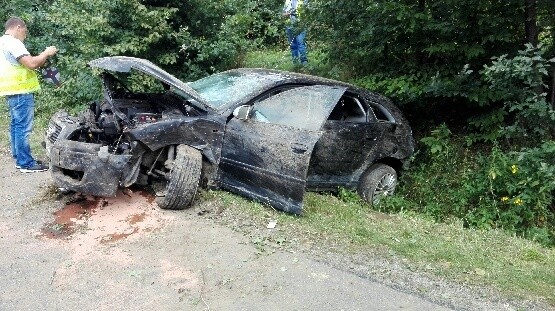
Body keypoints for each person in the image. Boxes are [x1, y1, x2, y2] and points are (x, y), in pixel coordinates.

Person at [0, 17, 58, 172]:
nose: (25, 34)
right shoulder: (13, 42)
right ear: (18, 27)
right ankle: (25, 163)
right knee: (23, 128)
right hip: (21, 91)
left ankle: (19, 157)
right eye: (25, 31)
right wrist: (46, 53)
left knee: (15, 125)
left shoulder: (2, 42)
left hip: (11, 90)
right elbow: (32, 63)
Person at [283, 0, 308, 65]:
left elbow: (308, 12)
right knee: (293, 45)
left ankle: (304, 63)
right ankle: (295, 64)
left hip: (300, 26)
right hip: (289, 26)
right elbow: (283, 13)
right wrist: (286, 14)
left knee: (301, 44)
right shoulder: (288, 1)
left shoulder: (303, 1)